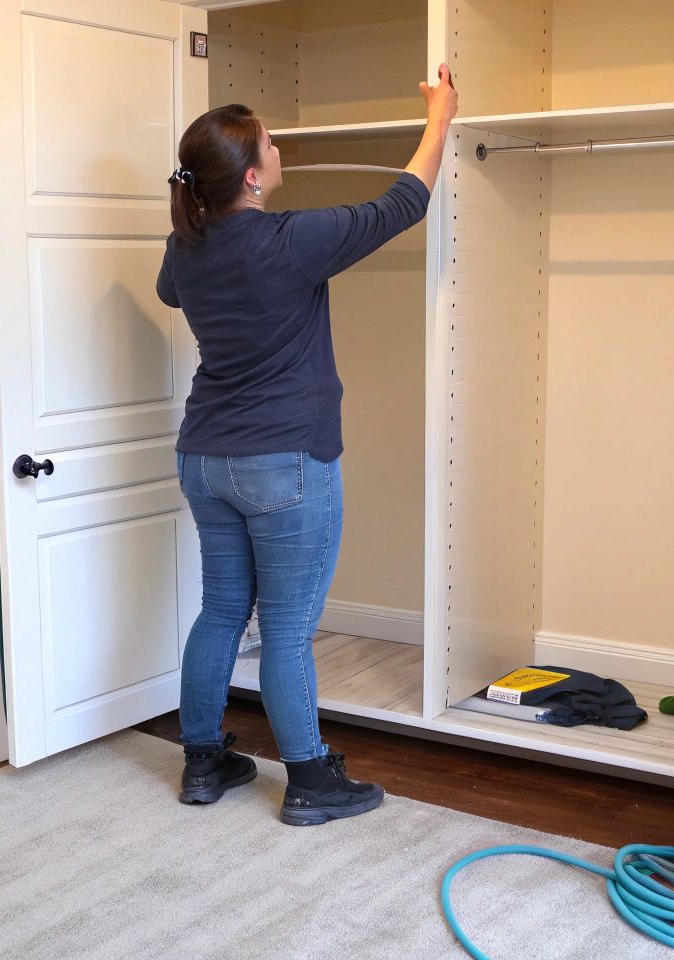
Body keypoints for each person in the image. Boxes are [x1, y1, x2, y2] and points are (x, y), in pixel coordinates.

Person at [156, 64, 458, 826]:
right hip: (284, 459)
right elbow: (405, 202)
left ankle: (203, 764)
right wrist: (440, 117)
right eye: (270, 139)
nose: (280, 144)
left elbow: (170, 290)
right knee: (287, 627)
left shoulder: (187, 246)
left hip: (205, 458)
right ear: (254, 176)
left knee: (222, 608)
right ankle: (311, 781)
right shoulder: (292, 240)